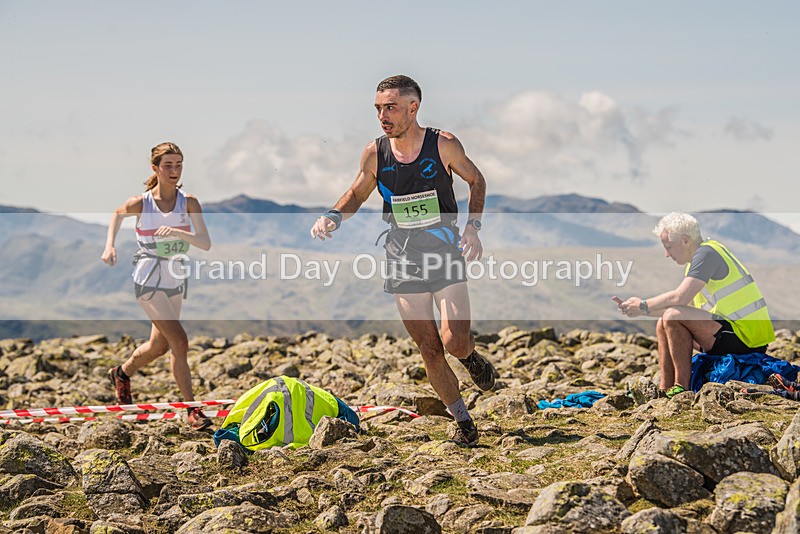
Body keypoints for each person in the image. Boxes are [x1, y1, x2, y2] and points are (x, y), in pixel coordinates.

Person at [309, 75, 495, 447]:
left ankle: (470, 356)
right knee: (429, 347)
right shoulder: (375, 153)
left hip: (444, 251)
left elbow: (477, 181)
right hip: (401, 256)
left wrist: (473, 228)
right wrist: (333, 214)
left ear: (414, 107)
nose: (383, 115)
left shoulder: (442, 144)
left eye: (390, 107)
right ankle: (462, 419)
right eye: (378, 108)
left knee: (453, 341)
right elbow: (357, 192)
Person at [101, 142, 213, 431]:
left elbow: (205, 242)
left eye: (178, 165)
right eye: (168, 165)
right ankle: (192, 409)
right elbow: (117, 213)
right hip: (148, 277)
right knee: (180, 342)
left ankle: (121, 373)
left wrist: (178, 231)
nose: (174, 171)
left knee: (158, 346)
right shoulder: (141, 202)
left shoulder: (189, 202)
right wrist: (110, 246)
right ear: (155, 168)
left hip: (174, 276)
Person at [616, 212, 775, 398]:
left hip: (747, 338)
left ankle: (681, 389)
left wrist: (643, 305)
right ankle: (665, 389)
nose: (667, 254)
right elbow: (680, 306)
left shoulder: (707, 254)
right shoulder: (697, 261)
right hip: (731, 332)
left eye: (669, 247)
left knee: (673, 316)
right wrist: (638, 311)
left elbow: (679, 299)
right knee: (664, 321)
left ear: (685, 240)